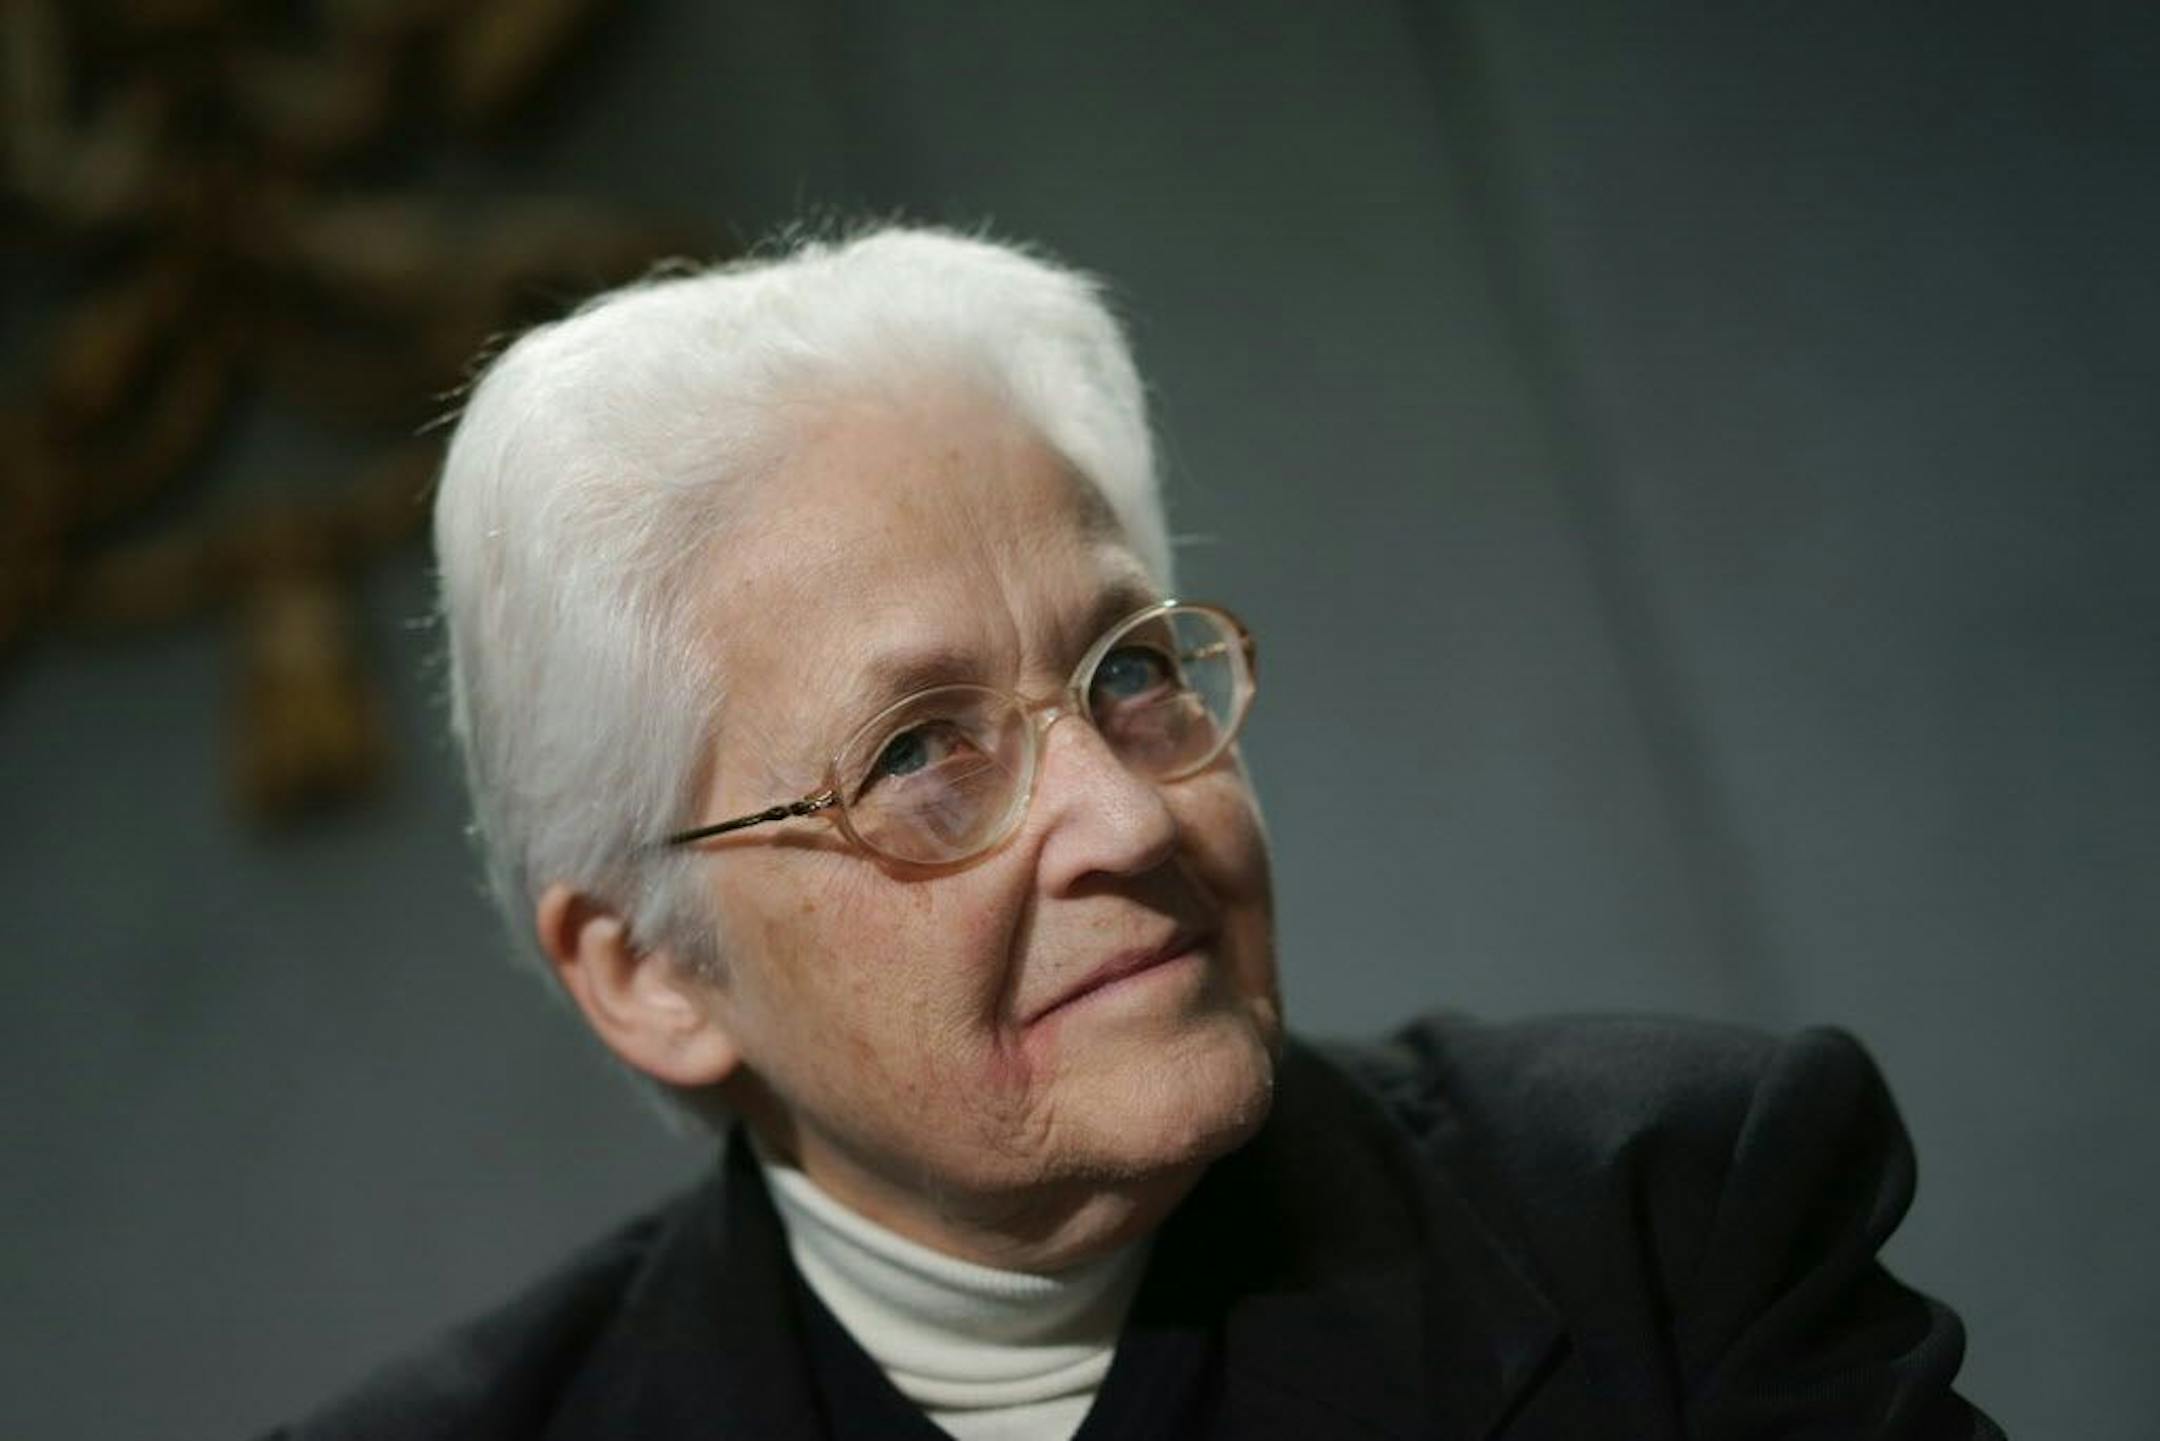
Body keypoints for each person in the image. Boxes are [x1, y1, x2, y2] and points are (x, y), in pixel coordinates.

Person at [266, 226, 2002, 1439]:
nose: (1121, 814)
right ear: (649, 972)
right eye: (921, 752)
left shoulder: (1669, 1219)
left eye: (1132, 672)